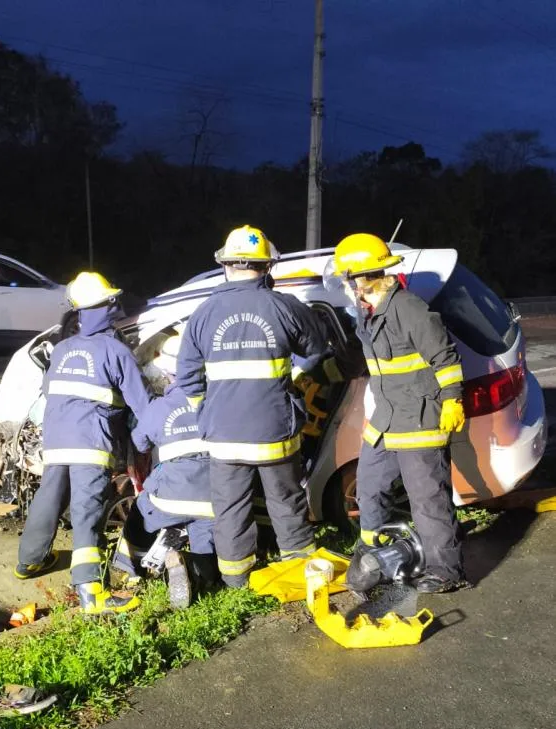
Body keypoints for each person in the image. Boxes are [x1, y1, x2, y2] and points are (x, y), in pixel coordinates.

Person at [176, 224, 328, 588]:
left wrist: (205, 408)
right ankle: (299, 570)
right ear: (267, 267)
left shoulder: (204, 314)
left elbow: (186, 374)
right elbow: (318, 349)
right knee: (286, 500)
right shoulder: (285, 306)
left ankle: (236, 580)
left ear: (226, 265)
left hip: (225, 436)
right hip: (274, 430)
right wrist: (293, 378)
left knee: (230, 509)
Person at [328, 233, 467, 593]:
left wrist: (454, 399)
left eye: (346, 278)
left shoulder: (409, 309)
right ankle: (373, 552)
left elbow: (446, 358)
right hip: (387, 421)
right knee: (371, 487)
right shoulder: (371, 315)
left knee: (428, 500)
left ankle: (445, 571)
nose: (344, 286)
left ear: (363, 277)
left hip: (420, 421)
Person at [15, 271, 149, 614]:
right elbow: (143, 404)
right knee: (88, 512)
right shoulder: (115, 350)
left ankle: (29, 561)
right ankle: (92, 593)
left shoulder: (61, 350)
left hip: (58, 438)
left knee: (51, 496)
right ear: (108, 306)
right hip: (91, 441)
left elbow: (49, 392)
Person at [112, 377, 218, 608]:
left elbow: (140, 443)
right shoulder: (217, 400)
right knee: (207, 549)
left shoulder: (159, 407)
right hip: (213, 496)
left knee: (140, 516)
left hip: (169, 497)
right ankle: (193, 566)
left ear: (170, 377)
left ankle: (131, 571)